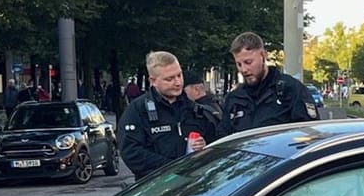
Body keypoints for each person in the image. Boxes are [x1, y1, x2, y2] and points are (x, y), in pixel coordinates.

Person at [120, 51, 210, 181]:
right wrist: (171, 167)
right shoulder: (138, 110)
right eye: (170, 79)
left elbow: (216, 141)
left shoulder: (193, 108)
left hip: (192, 185)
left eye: (179, 75)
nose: (178, 82)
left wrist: (204, 145)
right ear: (153, 81)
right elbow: (131, 152)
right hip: (155, 188)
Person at [222, 32, 312, 132]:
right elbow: (222, 137)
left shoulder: (291, 89)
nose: (243, 69)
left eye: (248, 62)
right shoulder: (234, 98)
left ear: (263, 56)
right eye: (239, 64)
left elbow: (309, 133)